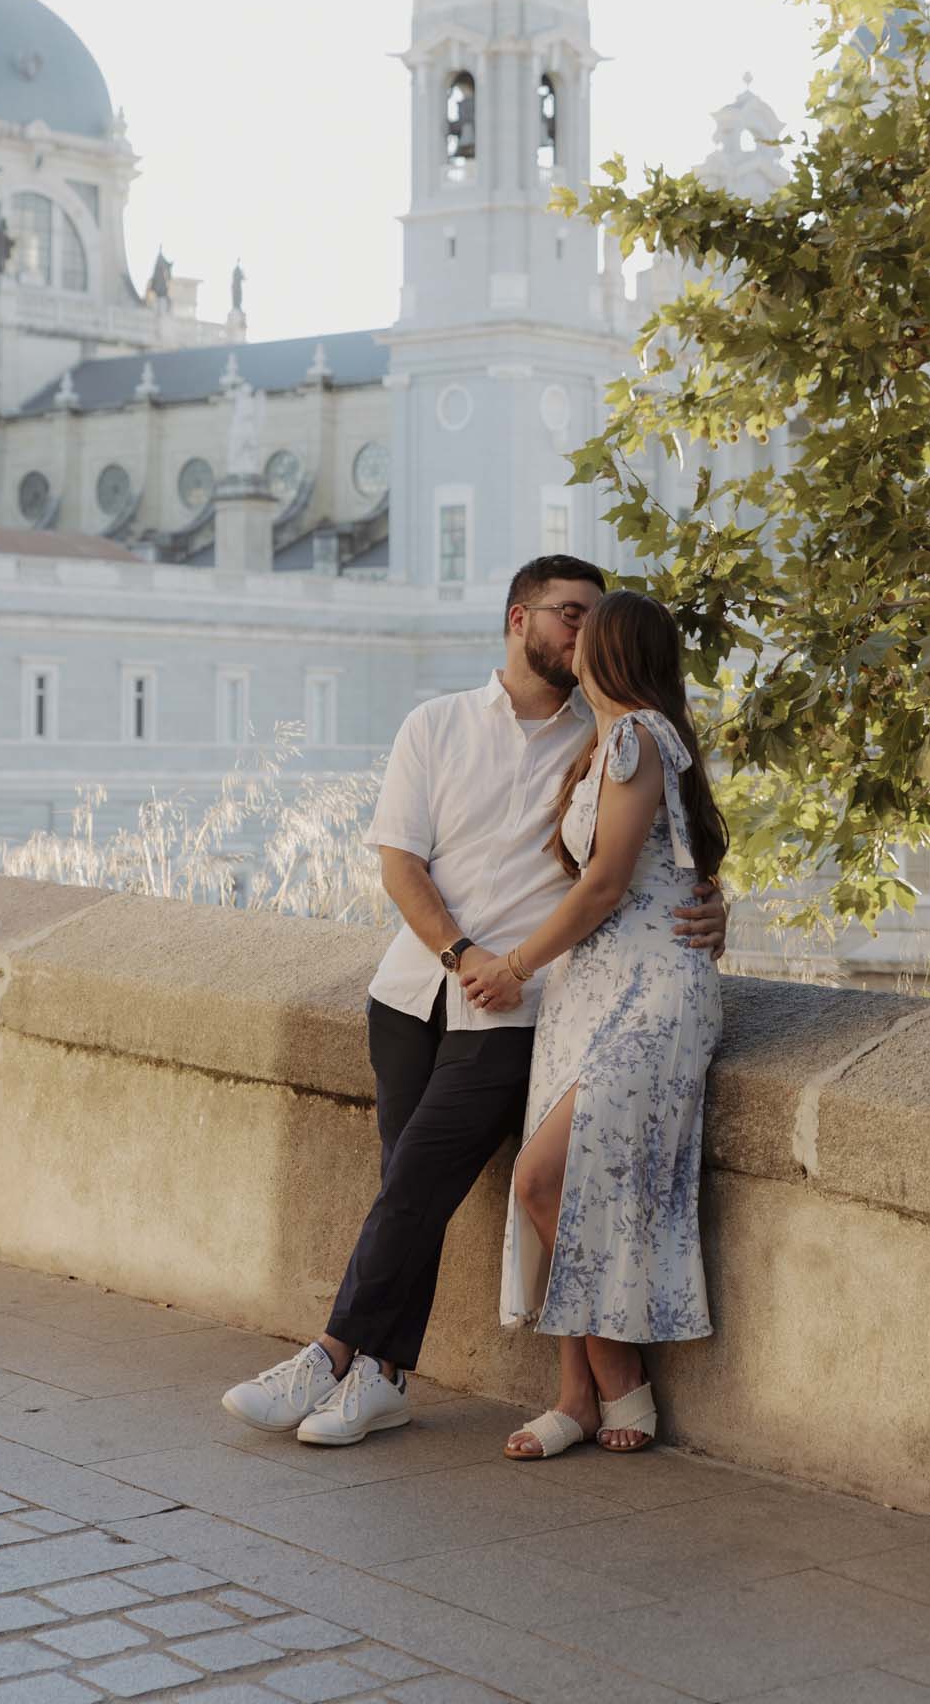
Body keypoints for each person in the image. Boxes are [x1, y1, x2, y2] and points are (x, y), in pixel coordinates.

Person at [221, 556, 727, 1447]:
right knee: (403, 1189)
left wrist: (710, 902)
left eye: (595, 621)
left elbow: (641, 860)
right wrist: (459, 954)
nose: (581, 633)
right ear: (517, 617)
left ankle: (331, 1355)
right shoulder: (438, 724)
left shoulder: (608, 736)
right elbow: (399, 864)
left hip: (520, 1008)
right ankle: (381, 1378)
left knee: (418, 1180)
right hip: (414, 990)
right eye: (568, 614)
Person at [463, 588, 727, 1460]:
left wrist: (513, 965)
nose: (570, 644)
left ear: (607, 651)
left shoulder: (636, 736)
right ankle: (574, 1395)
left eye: (586, 632)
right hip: (595, 987)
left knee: (543, 1178)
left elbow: (608, 884)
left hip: (646, 988)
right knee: (572, 1181)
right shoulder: (612, 743)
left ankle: (619, 1377)